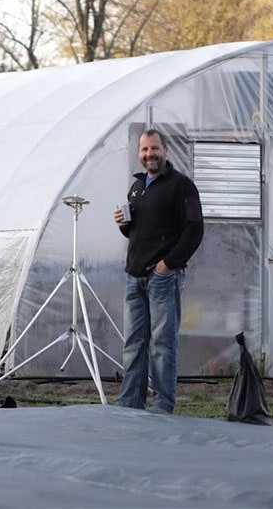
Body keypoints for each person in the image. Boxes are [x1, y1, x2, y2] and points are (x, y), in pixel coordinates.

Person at [113, 129, 203, 414]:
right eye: (144, 150)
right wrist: (124, 226)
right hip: (135, 276)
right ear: (139, 154)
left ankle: (163, 404)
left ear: (165, 150)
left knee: (162, 343)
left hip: (162, 277)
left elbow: (195, 230)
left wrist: (168, 265)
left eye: (154, 148)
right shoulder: (137, 188)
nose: (149, 154)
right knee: (134, 344)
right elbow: (140, 233)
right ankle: (130, 402)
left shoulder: (181, 186)